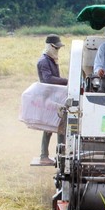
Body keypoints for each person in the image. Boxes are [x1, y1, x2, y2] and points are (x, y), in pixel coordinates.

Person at [36, 34, 68, 166]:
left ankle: (61, 155)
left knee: (60, 126)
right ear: (50, 47)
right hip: (48, 97)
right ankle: (45, 156)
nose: (58, 50)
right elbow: (48, 79)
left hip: (54, 96)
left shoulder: (51, 60)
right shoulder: (44, 61)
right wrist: (66, 81)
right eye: (56, 48)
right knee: (50, 127)